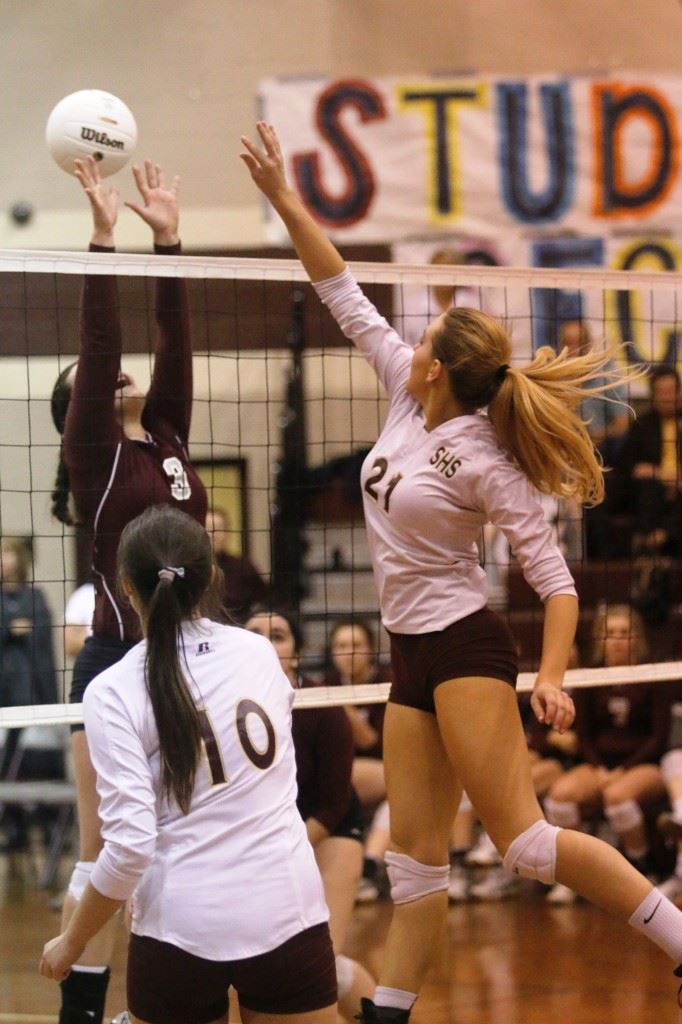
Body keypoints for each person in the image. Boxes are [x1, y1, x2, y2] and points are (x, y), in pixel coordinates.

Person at [240, 121, 682, 1021]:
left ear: (440, 363)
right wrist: (287, 200)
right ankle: (390, 1010)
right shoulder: (408, 388)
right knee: (414, 861)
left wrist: (553, 675)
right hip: (409, 650)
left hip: (464, 646)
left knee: (524, 845)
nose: (413, 332)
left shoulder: (486, 458)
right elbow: (341, 291)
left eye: (428, 330)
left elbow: (556, 581)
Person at [39, 505, 337, 1024]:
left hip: (180, 928)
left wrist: (72, 940)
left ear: (127, 590)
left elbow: (129, 845)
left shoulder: (111, 690)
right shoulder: (259, 653)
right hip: (286, 909)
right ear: (212, 578)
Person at [48, 155, 208, 1024]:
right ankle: (82, 1010)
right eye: (92, 383)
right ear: (78, 410)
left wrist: (171, 240)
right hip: (117, 660)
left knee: (175, 840)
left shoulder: (168, 437)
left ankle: (159, 1001)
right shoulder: (99, 461)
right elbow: (101, 346)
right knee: (106, 844)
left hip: (192, 660)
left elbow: (173, 345)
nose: (112, 376)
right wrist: (103, 242)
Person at [245, 607, 375, 1022]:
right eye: (255, 634)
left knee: (321, 971)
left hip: (329, 827)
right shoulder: (222, 707)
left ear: (296, 655)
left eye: (279, 635)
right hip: (265, 845)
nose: (266, 643)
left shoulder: (321, 703)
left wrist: (284, 849)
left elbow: (335, 802)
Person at [543, 605, 669, 904]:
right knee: (560, 795)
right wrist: (599, 768)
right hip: (599, 763)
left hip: (643, 763)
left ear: (636, 639)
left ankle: (642, 872)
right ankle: (577, 877)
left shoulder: (653, 674)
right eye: (610, 633)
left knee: (618, 797)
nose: (617, 640)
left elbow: (658, 737)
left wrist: (624, 769)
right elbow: (584, 735)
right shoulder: (591, 677)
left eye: (624, 633)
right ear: (601, 639)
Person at [325, 618, 392, 902]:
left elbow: (374, 743)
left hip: (381, 769)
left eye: (355, 645)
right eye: (340, 646)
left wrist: (345, 707)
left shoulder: (385, 682)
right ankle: (362, 868)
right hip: (337, 776)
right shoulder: (322, 685)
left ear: (371, 650)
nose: (347, 653)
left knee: (401, 788)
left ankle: (369, 866)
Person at [0, 536, 60, 852]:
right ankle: (12, 828)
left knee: (42, 761)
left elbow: (46, 642)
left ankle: (51, 825)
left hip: (34, 693)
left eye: (8, 553)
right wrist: (9, 629)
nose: (4, 560)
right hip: (4, 697)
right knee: (5, 763)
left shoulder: (35, 597)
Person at [617, 366, 682, 557]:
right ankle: (653, 541)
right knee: (649, 488)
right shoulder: (642, 424)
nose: (667, 397)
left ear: (679, 393)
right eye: (662, 392)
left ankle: (659, 538)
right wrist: (655, 473)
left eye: (671, 391)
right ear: (653, 395)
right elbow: (626, 462)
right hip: (653, 490)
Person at [205, 506, 268, 622]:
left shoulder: (243, 567)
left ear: (227, 533)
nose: (212, 535)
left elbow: (266, 600)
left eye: (218, 529)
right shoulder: (188, 568)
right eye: (206, 528)